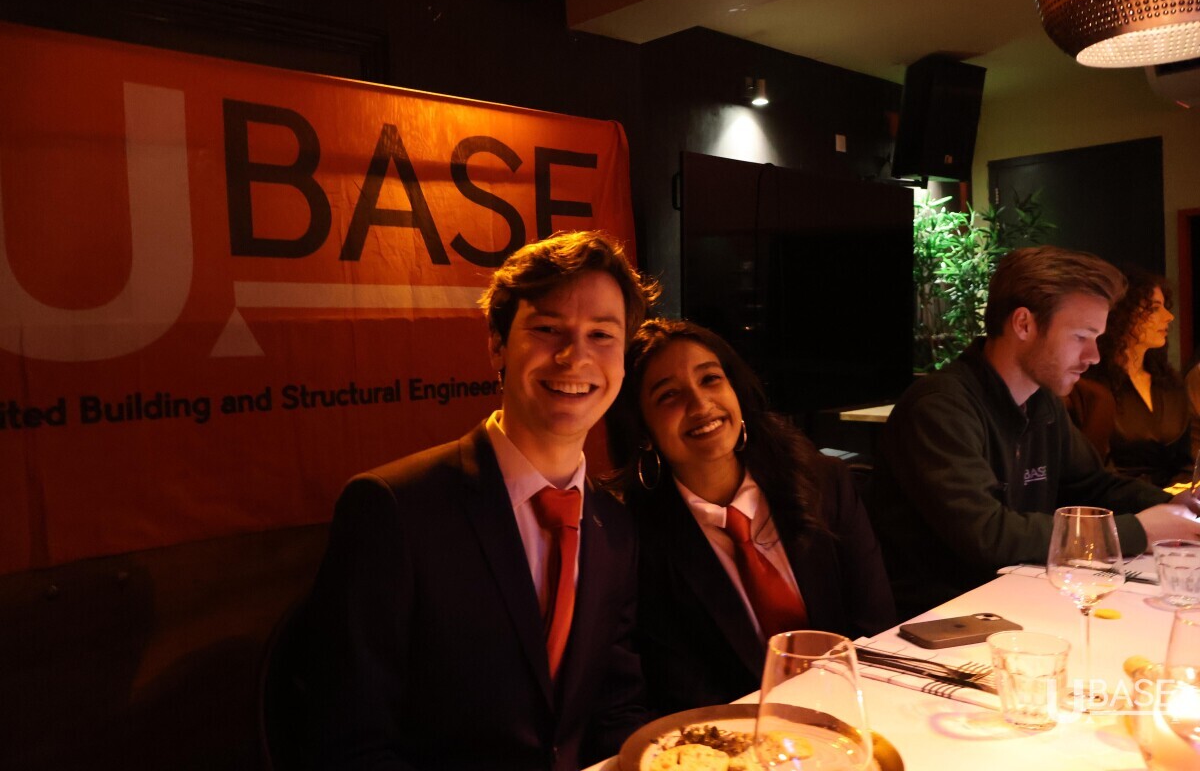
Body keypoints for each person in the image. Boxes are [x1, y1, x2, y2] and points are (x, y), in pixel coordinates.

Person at [303, 231, 658, 771]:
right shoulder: (394, 509)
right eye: (547, 329)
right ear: (497, 344)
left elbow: (615, 706)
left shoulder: (615, 526)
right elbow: (349, 739)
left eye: (601, 335)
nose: (575, 356)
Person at [869, 246, 1200, 620]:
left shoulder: (1042, 401)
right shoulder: (939, 407)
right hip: (942, 619)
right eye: (1081, 337)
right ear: (1024, 324)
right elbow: (988, 535)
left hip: (1021, 599)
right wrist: (1140, 530)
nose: (1093, 356)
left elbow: (1093, 486)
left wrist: (1180, 507)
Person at [605, 318, 896, 715]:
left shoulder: (823, 483)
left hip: (859, 712)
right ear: (643, 429)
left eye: (710, 379)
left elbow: (875, 629)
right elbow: (682, 693)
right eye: (669, 395)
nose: (700, 405)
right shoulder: (635, 538)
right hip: (735, 735)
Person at [1066, 267, 1199, 486]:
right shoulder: (1090, 387)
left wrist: (1178, 495)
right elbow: (1093, 472)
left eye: (1165, 307)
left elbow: (1185, 460)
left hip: (1173, 499)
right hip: (1116, 500)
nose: (1169, 317)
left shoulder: (1169, 384)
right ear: (1123, 313)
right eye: (1154, 308)